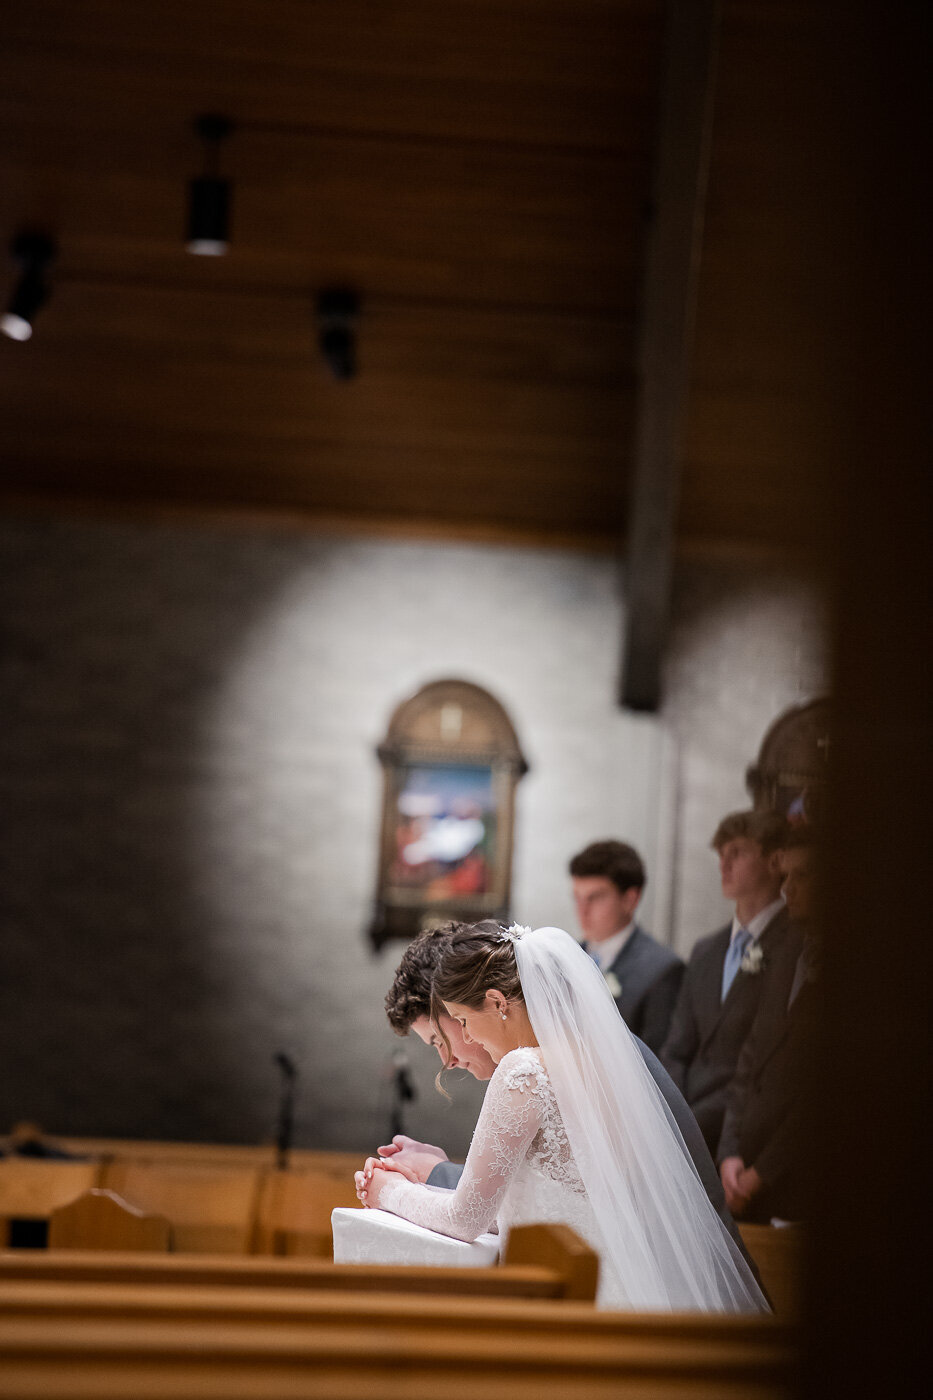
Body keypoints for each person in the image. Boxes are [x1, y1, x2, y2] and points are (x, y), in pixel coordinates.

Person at [358, 923, 767, 1312]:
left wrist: (388, 1191)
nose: (454, 1051)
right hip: (626, 1287)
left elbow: (470, 1216)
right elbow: (547, 1195)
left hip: (601, 1283)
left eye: (457, 1026)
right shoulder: (591, 1060)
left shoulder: (524, 1070)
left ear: (495, 1003)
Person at [660, 810, 792, 1154]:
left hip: (743, 1131)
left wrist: (691, 1124)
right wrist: (673, 1112)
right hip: (685, 1118)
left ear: (775, 861)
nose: (724, 864)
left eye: (738, 852)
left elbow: (764, 1061)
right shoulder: (706, 950)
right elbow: (677, 1048)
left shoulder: (793, 944)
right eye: (721, 853)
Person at [717, 827, 820, 1222]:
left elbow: (822, 1091)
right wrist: (729, 1152)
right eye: (786, 875)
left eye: (802, 875)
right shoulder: (789, 948)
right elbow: (751, 1056)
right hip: (745, 1161)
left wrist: (761, 1174)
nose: (787, 889)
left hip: (798, 1178)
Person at [569, 840, 683, 1051]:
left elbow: (657, 1057)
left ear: (630, 900)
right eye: (578, 897)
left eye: (595, 897)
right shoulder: (564, 958)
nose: (582, 910)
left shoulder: (662, 969)